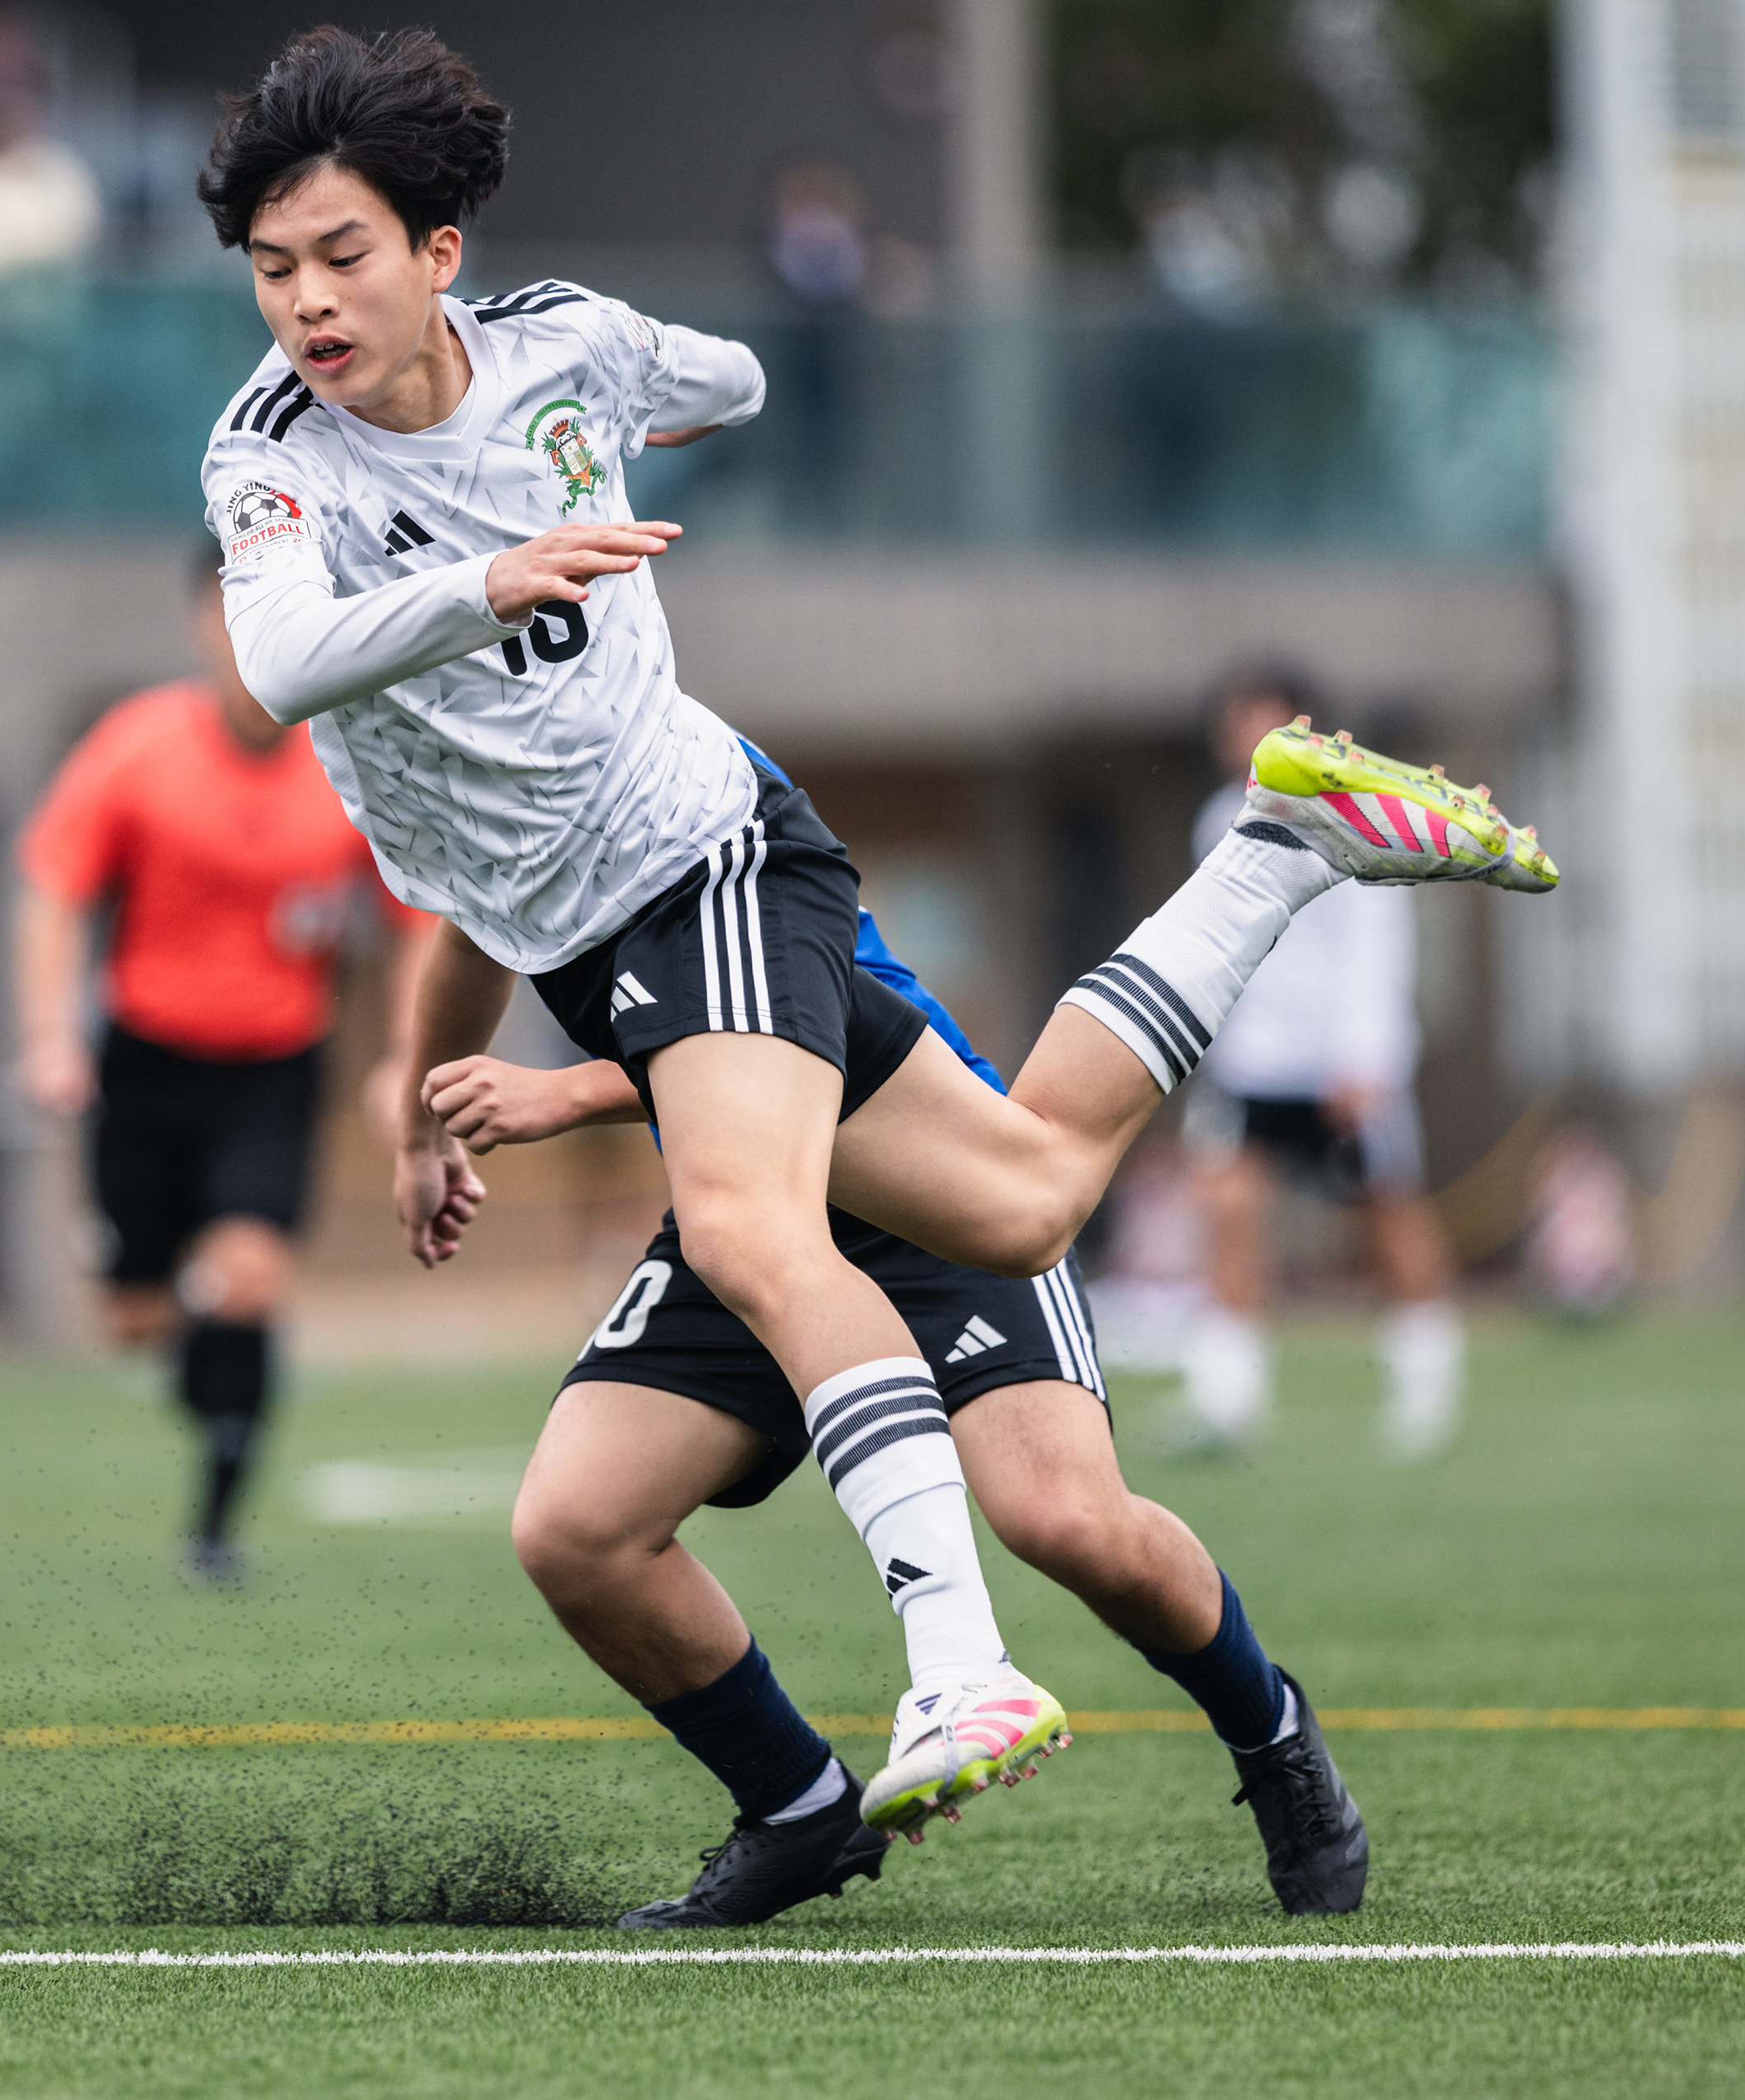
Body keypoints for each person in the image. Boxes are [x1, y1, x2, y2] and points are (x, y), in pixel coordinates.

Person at [195, 25, 1552, 1843]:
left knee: (1020, 1463)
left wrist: (615, 422)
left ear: (441, 249)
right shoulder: (270, 457)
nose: (304, 302)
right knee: (620, 1490)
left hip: (712, 869)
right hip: (635, 973)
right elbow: (306, 695)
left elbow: (735, 377)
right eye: (272, 267)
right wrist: (427, 1083)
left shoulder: (562, 344)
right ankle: (801, 1807)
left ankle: (983, 1670)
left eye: (342, 252)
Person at [426, 850, 1366, 1926]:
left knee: (1064, 1519)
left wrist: (567, 1089)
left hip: (927, 1190)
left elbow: (779, 1030)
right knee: (575, 1527)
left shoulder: (687, 805)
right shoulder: (502, 801)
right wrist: (418, 1124)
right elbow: (464, 916)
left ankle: (1271, 1730)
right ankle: (796, 1807)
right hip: (746, 1209)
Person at [14, 546, 434, 1582]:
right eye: (231, 606)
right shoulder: (136, 747)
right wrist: (48, 1037)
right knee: (138, 1320)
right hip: (146, 1064)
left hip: (274, 1069)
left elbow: (424, 920)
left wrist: (410, 1058)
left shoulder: (352, 761)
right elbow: (53, 890)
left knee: (248, 1283)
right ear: (204, 617)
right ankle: (218, 1348)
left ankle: (212, 1531)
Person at [1178, 667, 1468, 1462]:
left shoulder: (1357, 814)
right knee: (1228, 1207)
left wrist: (1364, 1058)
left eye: (1265, 723)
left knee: (1388, 1211)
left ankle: (1426, 1388)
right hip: (1252, 1058)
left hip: (1339, 1058)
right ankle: (1227, 1397)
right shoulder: (1218, 821)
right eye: (1237, 723)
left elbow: (1377, 941)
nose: (1247, 739)